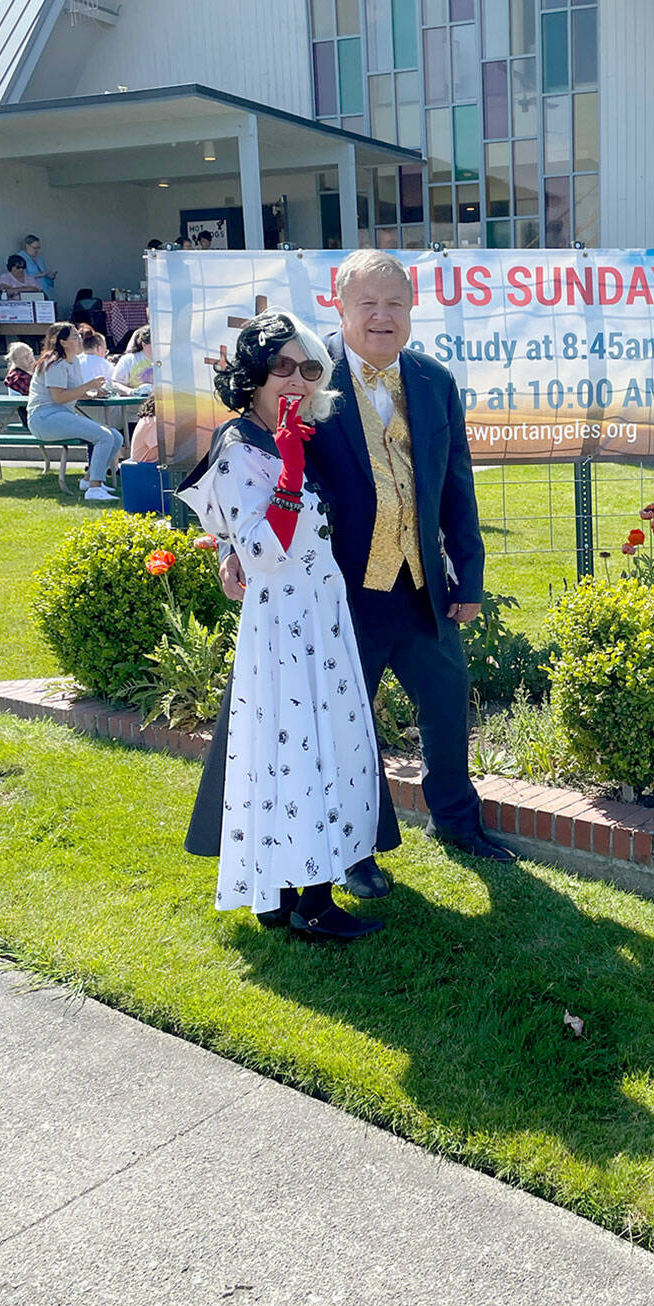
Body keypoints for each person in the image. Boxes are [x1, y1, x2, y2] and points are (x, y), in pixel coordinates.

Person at [200, 248, 512, 891]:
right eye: (367, 302)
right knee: (343, 730)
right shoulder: (307, 379)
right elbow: (248, 470)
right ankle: (355, 850)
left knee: (448, 707)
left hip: (423, 585)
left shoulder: (434, 381)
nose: (381, 315)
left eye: (394, 302)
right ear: (339, 308)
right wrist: (232, 547)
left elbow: (457, 485)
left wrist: (470, 576)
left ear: (411, 310)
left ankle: (459, 822)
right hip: (338, 594)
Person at [177, 311, 383, 939]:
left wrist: (293, 456)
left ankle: (277, 896)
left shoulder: (292, 432)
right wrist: (290, 472)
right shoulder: (243, 445)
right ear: (253, 376)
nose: (296, 380)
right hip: (286, 621)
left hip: (318, 614)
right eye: (282, 367)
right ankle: (311, 905)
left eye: (309, 368)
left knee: (299, 747)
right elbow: (264, 549)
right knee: (299, 748)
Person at [26, 321, 123, 502]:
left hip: (62, 416)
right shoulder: (54, 362)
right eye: (75, 337)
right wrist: (88, 386)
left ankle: (88, 481)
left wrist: (92, 393)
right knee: (104, 436)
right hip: (44, 418)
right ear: (63, 342)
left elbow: (72, 392)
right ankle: (94, 489)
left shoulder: (75, 361)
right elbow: (59, 398)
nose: (80, 340)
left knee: (116, 437)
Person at [3, 341, 35, 427]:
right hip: (31, 416)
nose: (29, 358)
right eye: (24, 357)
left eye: (30, 354)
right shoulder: (15, 377)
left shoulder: (39, 369)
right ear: (16, 361)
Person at [128, 393, 159, 463]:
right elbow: (168, 450)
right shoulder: (154, 422)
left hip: (151, 464)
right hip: (145, 467)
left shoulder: (150, 419)